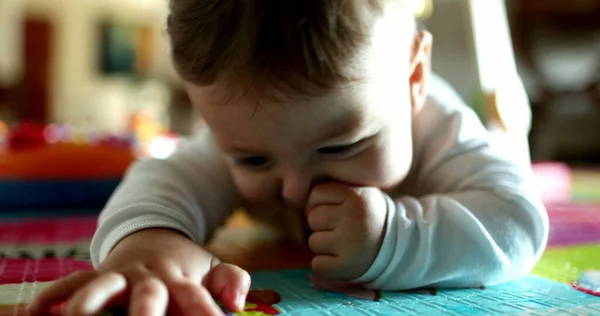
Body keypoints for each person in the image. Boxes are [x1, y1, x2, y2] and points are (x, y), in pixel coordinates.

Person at [29, 0, 549, 315]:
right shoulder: (243, 131)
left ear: (413, 79)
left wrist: (396, 235)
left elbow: (519, 222)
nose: (294, 188)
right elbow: (166, 175)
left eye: (341, 146)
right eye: (253, 161)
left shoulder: (444, 129)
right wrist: (149, 244)